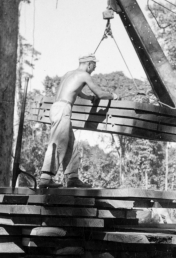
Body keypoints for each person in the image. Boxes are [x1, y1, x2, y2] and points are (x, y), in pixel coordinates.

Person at [39, 54, 120, 189]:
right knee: (59, 142)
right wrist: (113, 96)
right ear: (89, 64)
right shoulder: (84, 75)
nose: (94, 69)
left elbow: (73, 90)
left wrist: (87, 97)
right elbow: (100, 94)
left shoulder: (69, 74)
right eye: (94, 66)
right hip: (63, 108)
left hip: (57, 107)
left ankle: (72, 178)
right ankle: (46, 177)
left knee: (71, 142)